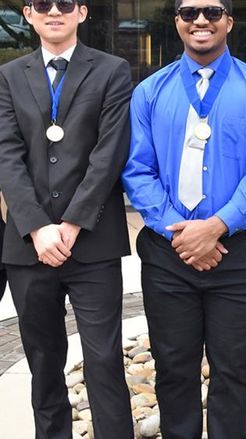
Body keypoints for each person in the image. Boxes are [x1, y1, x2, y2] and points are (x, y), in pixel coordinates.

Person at [121, 0, 246, 437]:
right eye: (189, 12)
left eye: (212, 12)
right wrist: (180, 233)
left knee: (234, 371)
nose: (201, 20)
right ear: (177, 22)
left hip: (238, 254)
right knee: (173, 368)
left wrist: (215, 227)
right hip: (167, 253)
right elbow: (137, 169)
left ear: (229, 22)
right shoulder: (149, 92)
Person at [0, 0, 133, 437]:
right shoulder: (8, 76)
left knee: (104, 359)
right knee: (43, 360)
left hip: (93, 243)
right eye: (43, 3)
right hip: (28, 245)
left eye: (65, 3)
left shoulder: (113, 70)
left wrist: (72, 224)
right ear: (28, 14)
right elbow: (7, 156)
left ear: (81, 12)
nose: (54, 10)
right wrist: (38, 226)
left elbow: (109, 154)